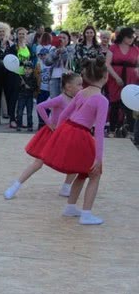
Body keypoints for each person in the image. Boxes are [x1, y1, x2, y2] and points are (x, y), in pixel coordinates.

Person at [42, 57, 109, 225]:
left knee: (83, 171)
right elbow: (99, 130)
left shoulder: (80, 93)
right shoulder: (102, 100)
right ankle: (86, 214)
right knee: (95, 173)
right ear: (106, 76)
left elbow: (64, 115)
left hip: (69, 129)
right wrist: (98, 158)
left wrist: (59, 134)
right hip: (81, 134)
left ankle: (71, 207)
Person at [4, 72, 83, 200]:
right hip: (54, 134)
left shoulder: (76, 99)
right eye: (79, 84)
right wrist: (49, 123)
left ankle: (66, 187)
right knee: (38, 163)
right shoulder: (60, 98)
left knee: (75, 160)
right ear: (68, 87)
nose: (82, 87)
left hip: (67, 135)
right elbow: (41, 107)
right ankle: (15, 185)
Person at [106, 27, 139, 137]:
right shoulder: (114, 47)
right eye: (129, 37)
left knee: (130, 105)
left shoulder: (136, 49)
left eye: (132, 37)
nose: (131, 39)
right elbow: (107, 64)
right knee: (115, 104)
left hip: (131, 78)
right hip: (115, 78)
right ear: (123, 36)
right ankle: (112, 130)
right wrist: (116, 77)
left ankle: (130, 132)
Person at [45, 31, 73, 98]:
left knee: (66, 98)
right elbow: (47, 62)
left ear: (68, 40)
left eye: (64, 38)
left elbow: (68, 61)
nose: (61, 40)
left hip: (67, 78)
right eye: (60, 38)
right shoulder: (53, 50)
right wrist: (56, 54)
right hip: (54, 77)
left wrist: (63, 51)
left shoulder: (71, 49)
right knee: (54, 98)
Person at [16, 61, 39, 132]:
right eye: (26, 69)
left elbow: (35, 88)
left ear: (32, 70)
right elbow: (17, 88)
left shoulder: (33, 78)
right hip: (21, 96)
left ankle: (30, 126)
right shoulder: (21, 77)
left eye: (29, 69)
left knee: (29, 113)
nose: (27, 70)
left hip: (29, 97)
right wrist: (21, 84)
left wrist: (29, 87)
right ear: (23, 69)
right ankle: (19, 125)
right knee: (20, 112)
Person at [35, 46, 53, 129]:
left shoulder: (52, 64)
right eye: (41, 55)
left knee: (49, 107)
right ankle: (41, 122)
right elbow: (36, 76)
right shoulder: (39, 65)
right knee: (40, 106)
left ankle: (47, 123)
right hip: (41, 89)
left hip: (50, 89)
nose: (42, 57)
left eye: (44, 55)